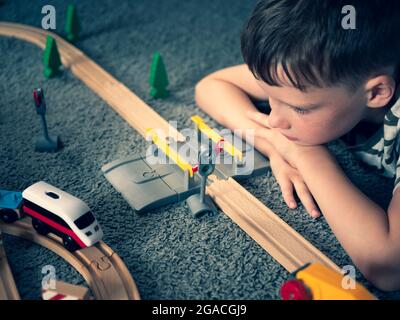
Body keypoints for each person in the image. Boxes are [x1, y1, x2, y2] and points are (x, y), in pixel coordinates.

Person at [195, 0, 400, 291]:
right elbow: (211, 86)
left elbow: (388, 266)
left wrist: (307, 155)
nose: (275, 120)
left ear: (377, 91)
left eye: (299, 109)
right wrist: (271, 142)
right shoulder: (323, 71)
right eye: (269, 96)